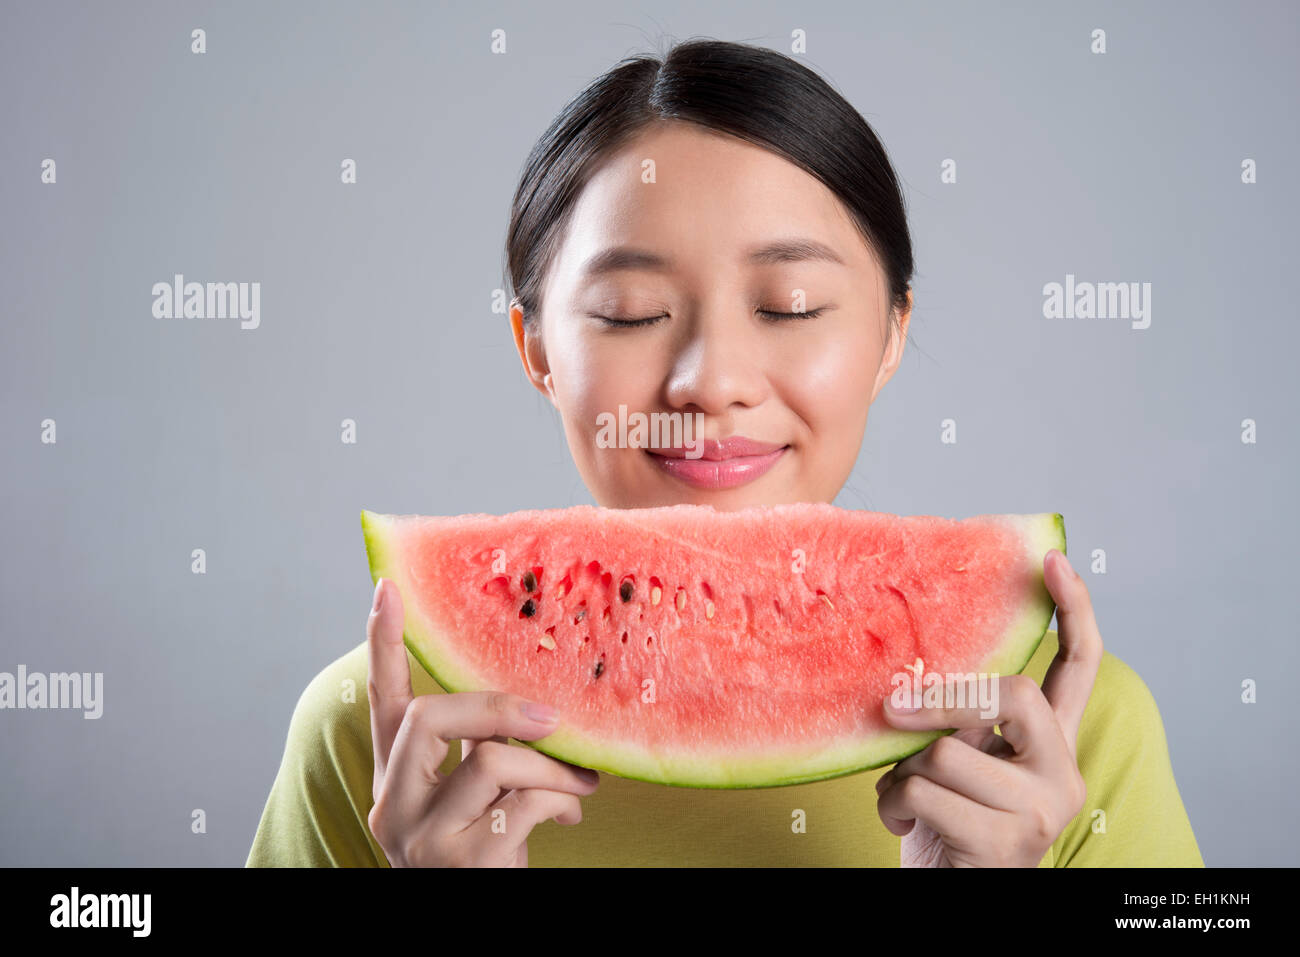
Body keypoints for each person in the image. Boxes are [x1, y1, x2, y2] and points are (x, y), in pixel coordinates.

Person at [246, 38, 1202, 867]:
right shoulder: (377, 735)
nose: (713, 379)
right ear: (537, 350)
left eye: (789, 306)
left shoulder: (1060, 735)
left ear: (890, 336)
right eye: (633, 313)